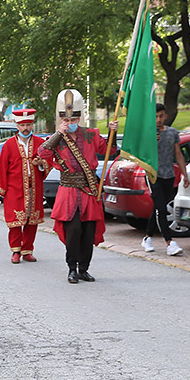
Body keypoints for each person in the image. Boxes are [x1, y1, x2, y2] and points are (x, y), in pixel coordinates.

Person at [37, 89, 119, 284]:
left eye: (74, 120)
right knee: (73, 231)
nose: (71, 123)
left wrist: (113, 132)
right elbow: (42, 153)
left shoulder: (90, 134)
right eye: (66, 120)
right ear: (61, 119)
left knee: (88, 231)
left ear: (79, 118)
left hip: (89, 190)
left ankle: (84, 269)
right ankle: (72, 268)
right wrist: (59, 133)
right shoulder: (57, 139)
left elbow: (110, 150)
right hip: (69, 191)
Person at [0, 108, 49, 264]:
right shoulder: (9, 145)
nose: (26, 128)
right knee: (15, 221)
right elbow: (2, 168)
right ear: (17, 125)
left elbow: (49, 162)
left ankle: (28, 250)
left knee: (32, 220)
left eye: (29, 125)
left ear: (32, 125)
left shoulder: (40, 143)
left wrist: (41, 164)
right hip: (14, 189)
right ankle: (16, 250)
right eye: (23, 125)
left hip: (34, 188)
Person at [142, 103, 190, 256]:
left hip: (169, 175)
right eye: (155, 117)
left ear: (166, 116)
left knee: (158, 208)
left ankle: (147, 238)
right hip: (153, 175)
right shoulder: (147, 133)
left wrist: (185, 174)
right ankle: (170, 243)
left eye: (161, 116)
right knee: (161, 210)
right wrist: (151, 142)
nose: (158, 119)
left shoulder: (172, 132)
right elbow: (142, 154)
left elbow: (178, 154)